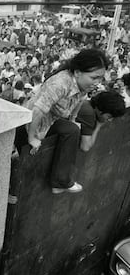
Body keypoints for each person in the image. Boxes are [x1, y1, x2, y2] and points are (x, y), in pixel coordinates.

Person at [14, 48, 108, 194]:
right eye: (94, 77)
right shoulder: (61, 84)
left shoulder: (83, 85)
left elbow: (78, 101)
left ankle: (60, 181)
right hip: (29, 124)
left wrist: (72, 119)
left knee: (72, 130)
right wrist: (31, 138)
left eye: (100, 78)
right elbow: (37, 110)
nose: (97, 82)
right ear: (77, 72)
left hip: (50, 121)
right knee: (28, 168)